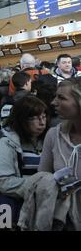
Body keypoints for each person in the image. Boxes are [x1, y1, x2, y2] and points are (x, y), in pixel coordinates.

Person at [37, 77, 81, 229]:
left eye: (61, 98)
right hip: (62, 220)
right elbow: (42, 176)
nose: (53, 102)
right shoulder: (53, 135)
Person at [0, 96, 48, 199]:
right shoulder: (8, 142)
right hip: (23, 204)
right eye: (35, 118)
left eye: (44, 117)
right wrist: (41, 187)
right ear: (22, 120)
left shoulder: (48, 139)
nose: (42, 123)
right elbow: (3, 180)